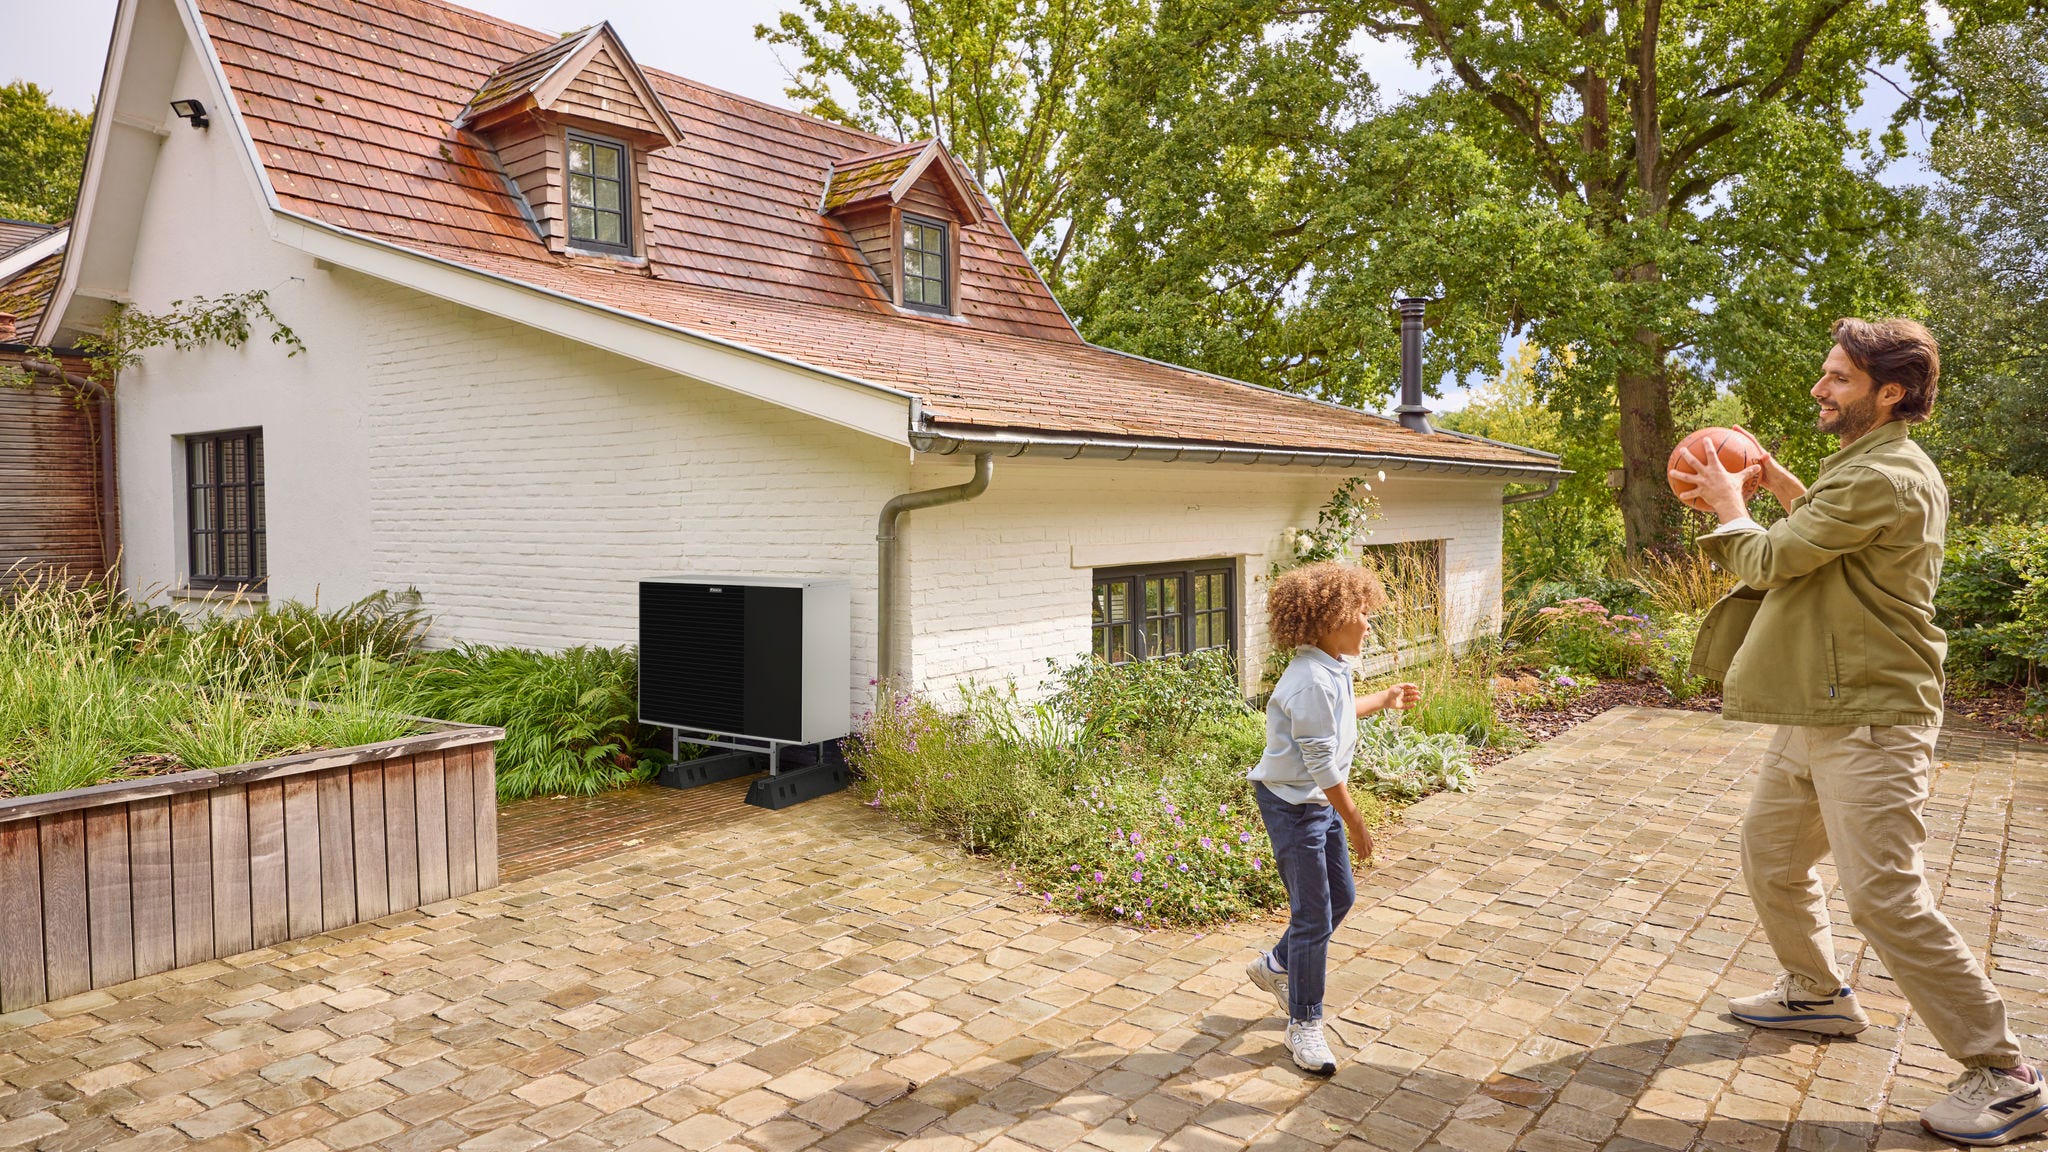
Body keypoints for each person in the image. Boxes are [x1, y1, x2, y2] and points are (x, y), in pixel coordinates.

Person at [1671, 317, 2043, 1147]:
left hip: (1872, 713)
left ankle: (2006, 1075)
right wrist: (1773, 487)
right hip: (1822, 704)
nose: (1820, 388)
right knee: (1771, 854)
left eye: (1837, 377)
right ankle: (1816, 994)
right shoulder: (1870, 469)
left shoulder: (1889, 476)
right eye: (1827, 373)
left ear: (1891, 392)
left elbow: (1770, 561)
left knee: (1885, 897)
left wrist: (1732, 504)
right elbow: (1825, 531)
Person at [1245, 560, 1421, 1075]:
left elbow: (1340, 714)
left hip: (1314, 802)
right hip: (1295, 807)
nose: (1368, 623)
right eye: (1360, 614)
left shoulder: (1330, 668)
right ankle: (1304, 1023)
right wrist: (1356, 820)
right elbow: (1321, 762)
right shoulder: (1308, 681)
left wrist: (1384, 699)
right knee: (1313, 915)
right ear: (1327, 620)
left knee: (1340, 897)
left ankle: (1277, 965)